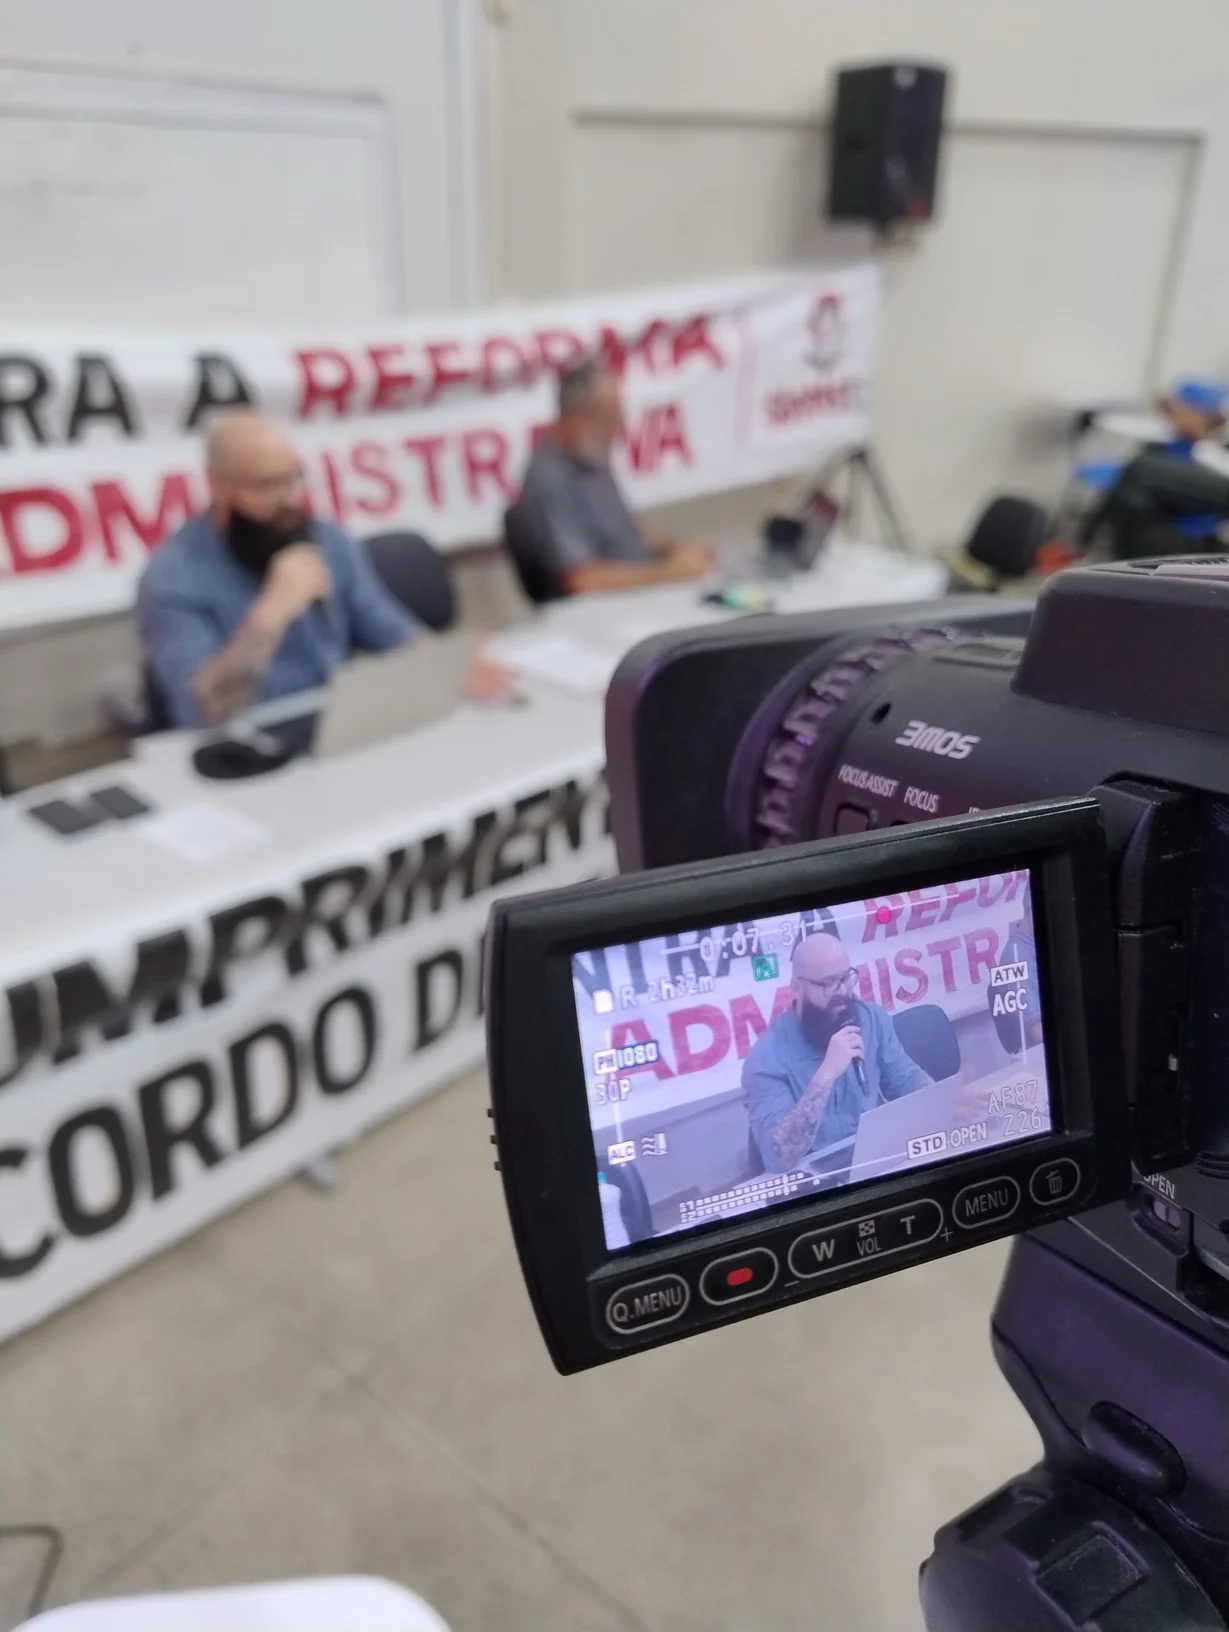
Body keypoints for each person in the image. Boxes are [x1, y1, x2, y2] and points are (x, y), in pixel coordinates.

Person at [137, 411, 504, 728]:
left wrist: (448, 664)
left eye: (294, 478)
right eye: (267, 485)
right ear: (218, 486)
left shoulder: (326, 540)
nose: (289, 499)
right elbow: (204, 713)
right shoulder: (172, 577)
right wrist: (268, 617)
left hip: (338, 724)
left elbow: (385, 627)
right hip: (248, 745)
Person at [507, 358, 715, 597]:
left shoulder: (591, 455)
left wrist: (677, 550)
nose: (620, 429)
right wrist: (668, 573)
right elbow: (582, 579)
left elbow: (626, 533)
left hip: (644, 584)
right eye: (610, 419)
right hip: (610, 601)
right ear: (576, 418)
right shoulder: (547, 480)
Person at [742, 932, 930, 1175]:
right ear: (797, 989)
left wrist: (944, 1099)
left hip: (878, 1159)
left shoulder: (870, 1018)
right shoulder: (764, 1059)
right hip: (816, 1181)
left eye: (846, 978)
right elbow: (779, 1157)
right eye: (829, 983)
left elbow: (904, 1079)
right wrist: (826, 1075)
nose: (843, 991)